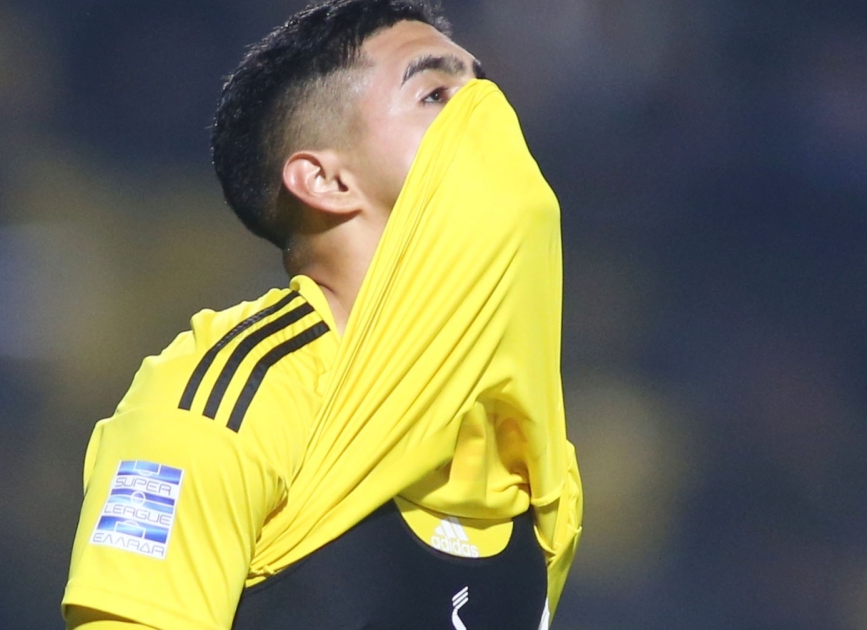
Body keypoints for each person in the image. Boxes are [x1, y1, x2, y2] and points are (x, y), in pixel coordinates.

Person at [60, 1, 583, 628]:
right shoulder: (218, 407)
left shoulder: (532, 458)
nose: (486, 112)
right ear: (325, 180)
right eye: (436, 94)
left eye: (484, 88)